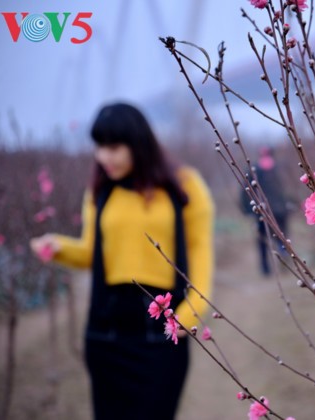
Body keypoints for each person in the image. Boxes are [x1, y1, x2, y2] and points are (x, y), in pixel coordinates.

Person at [29, 102, 215, 420]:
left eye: (113, 147)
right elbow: (93, 253)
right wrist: (58, 247)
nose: (104, 157)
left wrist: (190, 312)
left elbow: (200, 251)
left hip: (160, 329)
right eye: (100, 147)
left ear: (138, 144)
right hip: (106, 332)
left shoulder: (184, 185)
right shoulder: (100, 191)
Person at [240, 147, 290, 276]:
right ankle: (274, 264)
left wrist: (247, 209)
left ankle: (268, 268)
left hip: (267, 211)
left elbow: (245, 191)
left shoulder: (257, 170)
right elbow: (246, 191)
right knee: (278, 238)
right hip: (274, 211)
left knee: (266, 240)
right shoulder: (278, 169)